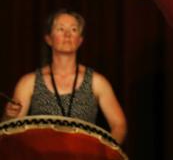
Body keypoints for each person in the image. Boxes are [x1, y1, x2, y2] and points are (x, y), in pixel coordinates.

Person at [2, 10, 127, 144]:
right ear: (49, 39)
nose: (67, 34)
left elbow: (119, 125)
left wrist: (104, 154)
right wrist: (8, 116)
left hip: (84, 159)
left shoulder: (96, 82)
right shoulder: (29, 82)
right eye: (60, 29)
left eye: (73, 29)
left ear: (80, 40)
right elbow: (11, 130)